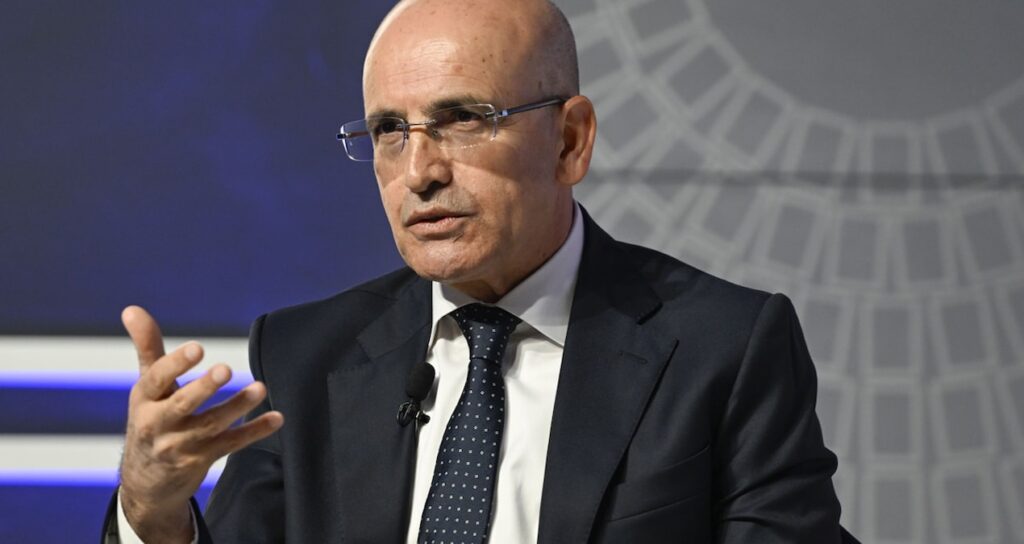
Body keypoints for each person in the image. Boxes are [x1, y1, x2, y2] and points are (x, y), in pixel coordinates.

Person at [102, 0, 857, 542]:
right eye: (389, 131)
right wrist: (153, 512)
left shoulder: (723, 348)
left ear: (570, 140)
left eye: (463, 119)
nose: (419, 171)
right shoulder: (307, 357)